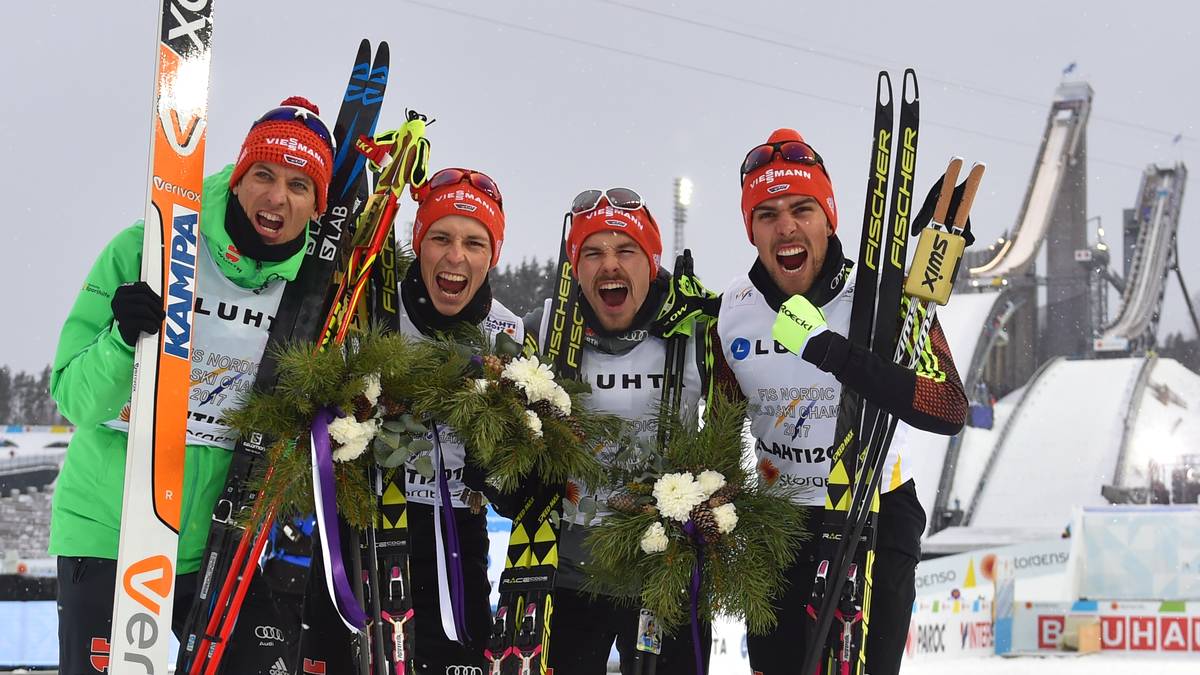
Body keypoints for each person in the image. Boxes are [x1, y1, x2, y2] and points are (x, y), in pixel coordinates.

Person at [49, 96, 336, 672]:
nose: (277, 197)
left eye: (299, 185)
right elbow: (74, 398)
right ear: (236, 178)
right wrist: (120, 341)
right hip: (115, 530)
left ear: (315, 204)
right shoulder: (146, 246)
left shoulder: (316, 291)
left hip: (232, 548)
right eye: (264, 175)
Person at [708, 129, 968, 675]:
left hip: (876, 509)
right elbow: (720, 426)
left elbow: (947, 408)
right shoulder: (733, 309)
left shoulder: (881, 298)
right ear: (751, 230)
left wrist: (833, 352)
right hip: (779, 521)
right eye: (767, 213)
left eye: (803, 208)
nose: (786, 227)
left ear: (829, 218)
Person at [525, 188, 713, 674]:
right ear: (575, 267)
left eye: (625, 250)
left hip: (663, 572)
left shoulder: (693, 331)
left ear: (651, 261)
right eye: (593, 252)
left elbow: (738, 418)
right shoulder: (546, 329)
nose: (609, 264)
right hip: (567, 574)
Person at [400, 167, 522, 674]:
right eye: (441, 238)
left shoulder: (508, 332)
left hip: (458, 537)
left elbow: (522, 475)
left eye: (475, 242)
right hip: (371, 528)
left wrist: (495, 469)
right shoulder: (377, 308)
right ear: (418, 243)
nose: (456, 257)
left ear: (491, 256)